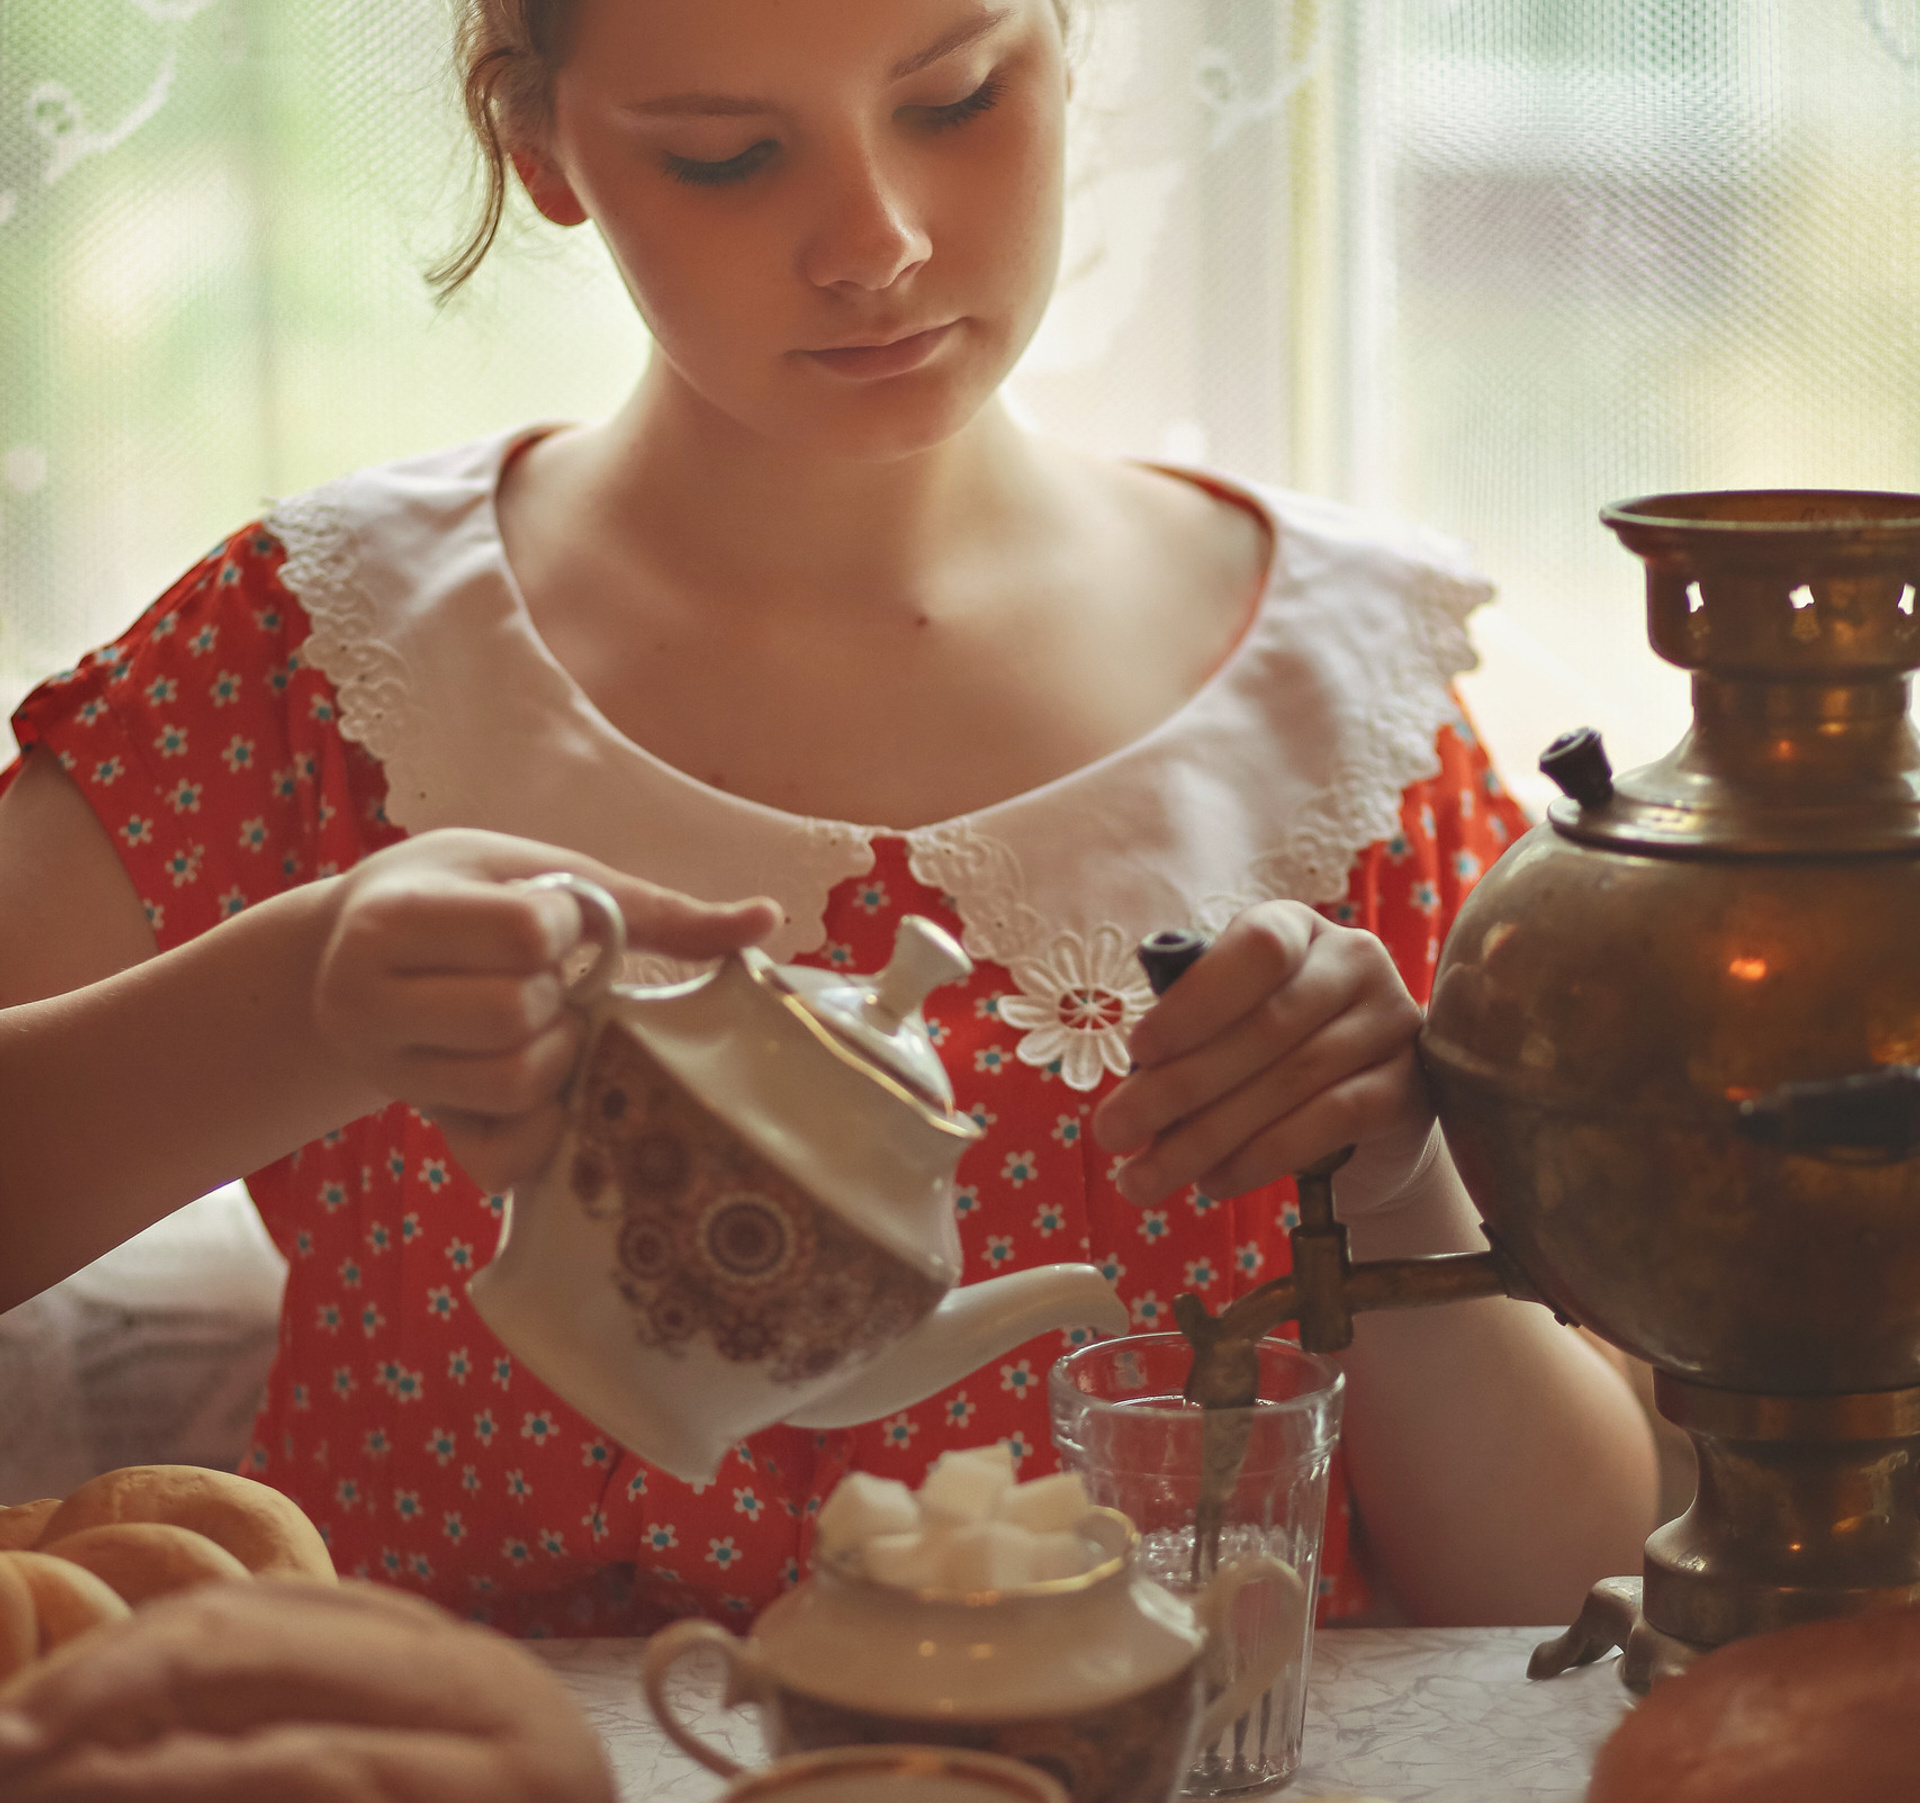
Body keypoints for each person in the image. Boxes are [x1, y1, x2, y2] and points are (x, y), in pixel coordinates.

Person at [0, 0, 1656, 1635]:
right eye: (727, 156)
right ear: (543, 147)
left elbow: (1564, 1585)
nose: (875, 242)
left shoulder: (1341, 714)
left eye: (953, 101)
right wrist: (298, 1003)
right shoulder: (314, 666)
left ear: (1069, 51)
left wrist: (1393, 1197)